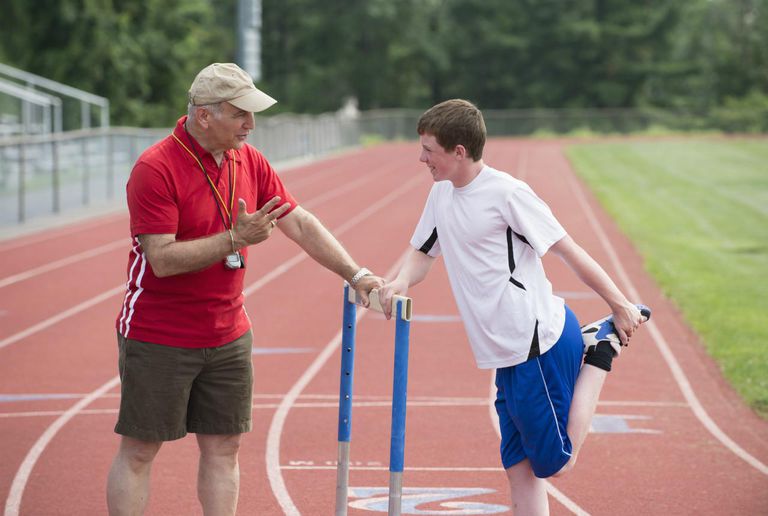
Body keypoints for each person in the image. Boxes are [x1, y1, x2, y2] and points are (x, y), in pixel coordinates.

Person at [107, 62, 383, 516]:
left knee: (225, 447)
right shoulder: (155, 168)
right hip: (160, 334)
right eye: (241, 114)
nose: (251, 124)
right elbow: (162, 259)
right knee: (140, 449)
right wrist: (235, 239)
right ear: (204, 116)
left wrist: (356, 274)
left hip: (228, 332)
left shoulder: (249, 160)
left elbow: (298, 222)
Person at [378, 99, 647, 516]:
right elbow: (423, 252)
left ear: (459, 151)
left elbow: (569, 250)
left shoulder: (507, 194)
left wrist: (619, 304)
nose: (421, 158)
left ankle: (599, 349)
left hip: (536, 341)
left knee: (557, 464)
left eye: (429, 150)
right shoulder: (440, 194)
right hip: (504, 351)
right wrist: (399, 281)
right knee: (520, 470)